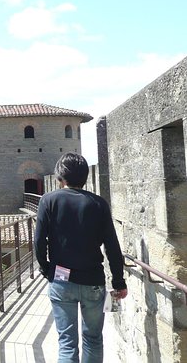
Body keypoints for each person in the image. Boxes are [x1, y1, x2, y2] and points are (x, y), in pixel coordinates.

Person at [34, 153, 128, 363]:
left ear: (60, 176)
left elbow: (39, 241)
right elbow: (112, 246)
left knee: (67, 342)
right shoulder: (99, 204)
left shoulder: (49, 201)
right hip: (93, 282)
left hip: (60, 281)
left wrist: (46, 269)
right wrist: (118, 281)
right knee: (93, 339)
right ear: (85, 177)